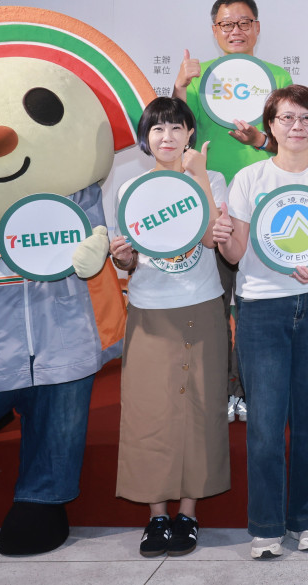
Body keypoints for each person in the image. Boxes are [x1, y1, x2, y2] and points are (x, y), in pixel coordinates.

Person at [216, 85, 308, 559]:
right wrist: (222, 236)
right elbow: (236, 253)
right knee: (266, 423)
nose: (297, 126)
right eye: (287, 118)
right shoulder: (249, 178)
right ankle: (266, 526)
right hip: (261, 307)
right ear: (270, 126)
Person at [109, 97, 230, 557]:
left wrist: (198, 177)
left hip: (201, 304)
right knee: (149, 412)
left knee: (201, 406)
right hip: (149, 308)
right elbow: (130, 259)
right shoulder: (131, 188)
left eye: (176, 128)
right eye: (157, 129)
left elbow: (212, 239)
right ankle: (156, 516)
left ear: (189, 134)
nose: (167, 137)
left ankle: (188, 515)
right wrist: (123, 257)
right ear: (146, 138)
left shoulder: (211, 179)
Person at [174, 0, 295, 424]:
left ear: (257, 28)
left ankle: (251, 388)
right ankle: (223, 389)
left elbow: (290, 143)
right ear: (215, 31)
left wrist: (258, 140)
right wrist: (180, 87)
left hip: (264, 205)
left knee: (255, 308)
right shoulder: (197, 76)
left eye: (244, 23)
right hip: (213, 207)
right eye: (227, 24)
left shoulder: (278, 76)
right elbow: (176, 135)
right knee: (215, 304)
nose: (236, 31)